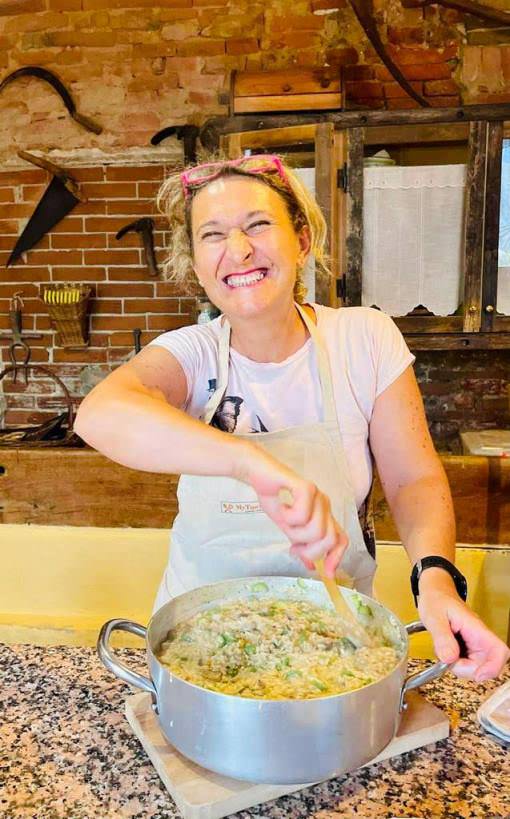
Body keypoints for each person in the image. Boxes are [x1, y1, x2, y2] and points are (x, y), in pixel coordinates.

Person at [75, 153, 509, 682]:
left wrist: (435, 579)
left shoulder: (363, 339)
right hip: (199, 646)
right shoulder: (190, 355)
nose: (238, 250)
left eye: (258, 225)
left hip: (337, 642)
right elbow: (99, 414)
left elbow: (413, 477)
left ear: (301, 240)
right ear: (194, 263)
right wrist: (251, 464)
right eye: (213, 235)